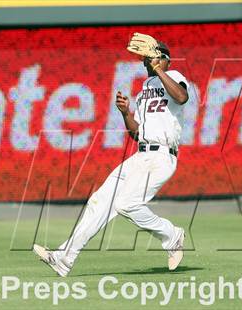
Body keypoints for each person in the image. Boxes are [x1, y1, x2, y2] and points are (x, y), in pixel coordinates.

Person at [33, 37, 190, 277]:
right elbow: (136, 133)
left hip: (162, 157)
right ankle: (64, 258)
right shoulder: (145, 89)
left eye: (150, 58)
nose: (145, 62)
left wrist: (160, 69)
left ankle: (172, 235)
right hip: (141, 155)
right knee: (99, 200)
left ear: (164, 59)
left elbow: (181, 97)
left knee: (126, 205)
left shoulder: (176, 76)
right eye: (145, 60)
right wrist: (126, 113)